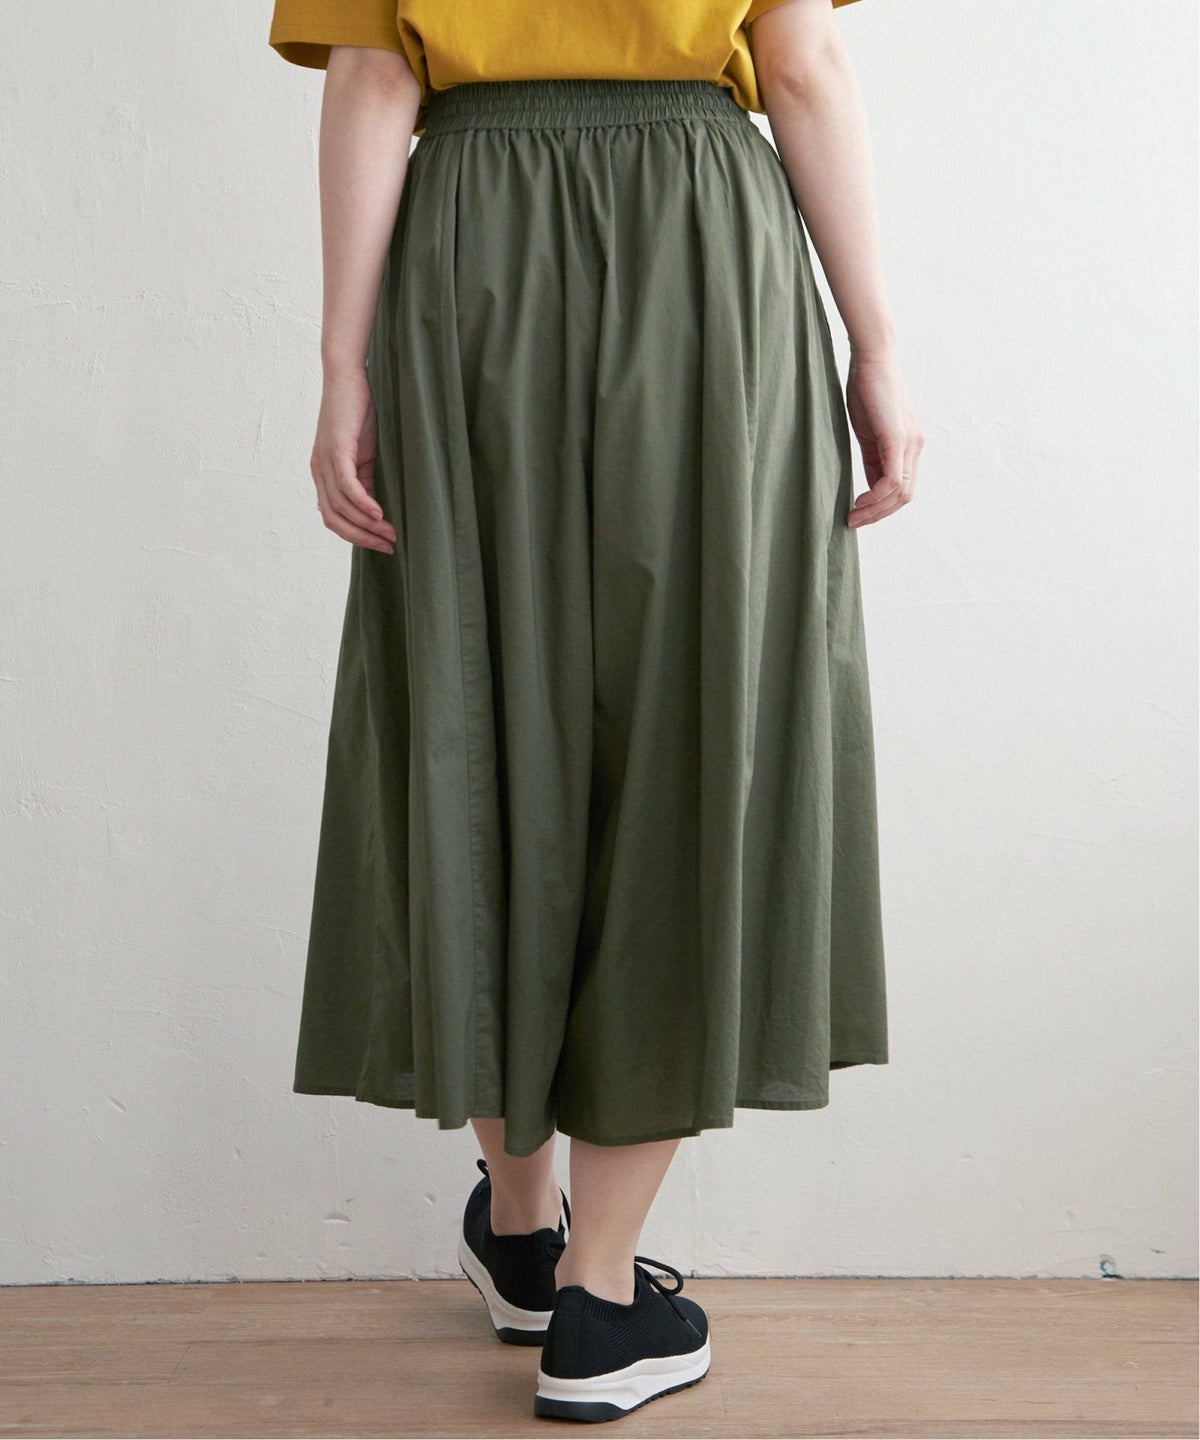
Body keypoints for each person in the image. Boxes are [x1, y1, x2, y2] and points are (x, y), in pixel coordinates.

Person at [267, 0, 921, 1422]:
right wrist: (875, 342)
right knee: (694, 715)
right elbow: (800, 61)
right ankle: (601, 1293)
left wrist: (342, 361)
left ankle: (521, 1229)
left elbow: (374, 74)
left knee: (479, 704)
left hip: (468, 238)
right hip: (697, 237)